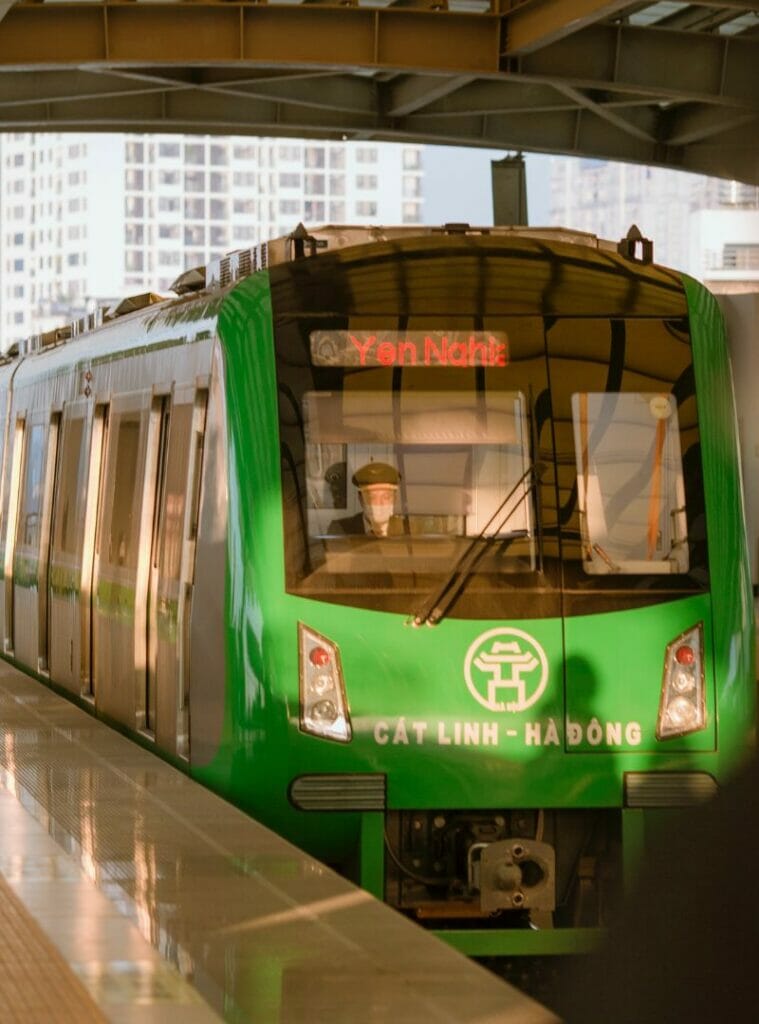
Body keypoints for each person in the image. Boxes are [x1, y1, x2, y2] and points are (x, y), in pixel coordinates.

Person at [328, 461, 402, 537]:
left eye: (386, 497)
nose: (380, 503)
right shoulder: (340, 529)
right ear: (361, 499)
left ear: (394, 499)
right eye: (372, 498)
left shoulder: (408, 528)